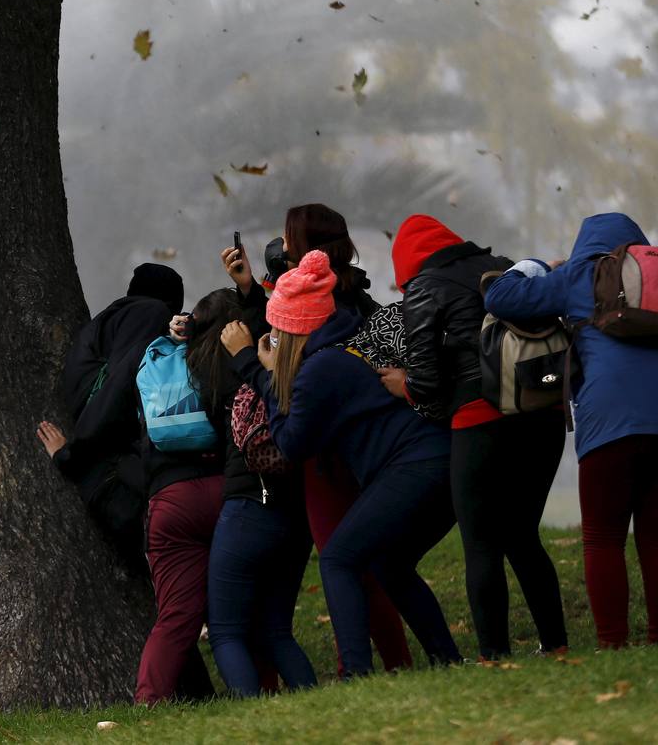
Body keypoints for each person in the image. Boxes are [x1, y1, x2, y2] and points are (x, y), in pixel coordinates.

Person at [484, 213, 658, 649]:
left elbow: (500, 297)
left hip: (612, 417)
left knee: (603, 537)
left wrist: (540, 266)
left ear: (586, 245)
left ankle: (613, 644)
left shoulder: (580, 274)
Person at [222, 250, 461, 678]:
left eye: (277, 330)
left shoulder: (321, 368)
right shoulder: (337, 352)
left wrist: (251, 365)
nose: (273, 337)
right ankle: (447, 660)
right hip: (434, 461)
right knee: (389, 563)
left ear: (294, 331)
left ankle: (356, 673)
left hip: (415, 466)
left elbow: (292, 441)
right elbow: (298, 414)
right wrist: (268, 373)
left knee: (339, 559)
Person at [381, 214, 568, 661]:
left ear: (406, 264)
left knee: (481, 541)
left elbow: (426, 382)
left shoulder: (425, 286)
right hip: (542, 414)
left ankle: (492, 655)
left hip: (480, 421)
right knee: (523, 535)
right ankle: (556, 644)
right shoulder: (502, 266)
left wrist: (401, 384)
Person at [190, 290, 315, 698]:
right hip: (297, 513)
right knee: (276, 630)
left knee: (226, 632)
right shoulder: (280, 366)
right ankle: (316, 702)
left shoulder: (214, 370)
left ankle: (252, 713)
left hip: (247, 505)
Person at [37, 263, 183, 574]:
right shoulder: (151, 312)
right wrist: (71, 455)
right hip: (106, 450)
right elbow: (118, 385)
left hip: (103, 449)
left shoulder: (112, 319)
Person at [134, 287, 237, 705]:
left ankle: (148, 701)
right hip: (226, 493)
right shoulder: (226, 366)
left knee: (176, 616)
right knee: (241, 608)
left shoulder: (160, 365)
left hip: (170, 501)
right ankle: (259, 689)